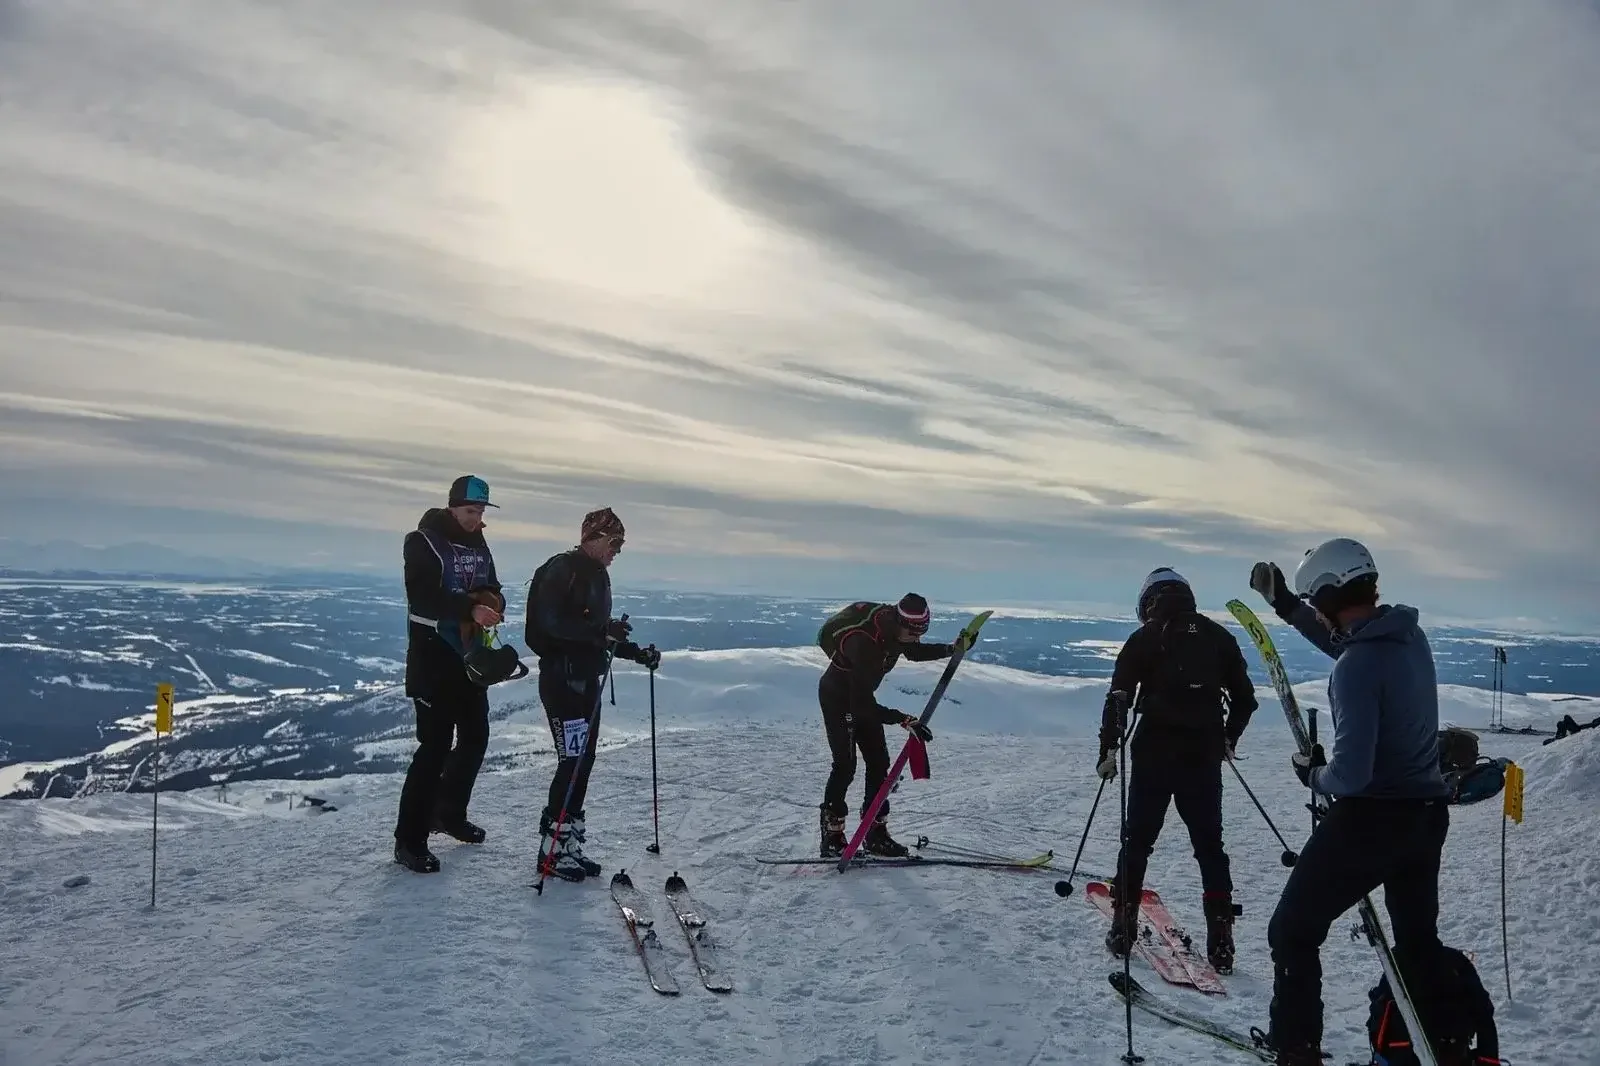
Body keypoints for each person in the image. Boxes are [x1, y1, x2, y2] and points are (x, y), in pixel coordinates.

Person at [1248, 538, 1451, 1066]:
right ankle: (1433, 1049)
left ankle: (1297, 1049)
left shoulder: (1356, 667)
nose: (1317, 611)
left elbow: (1351, 776)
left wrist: (1313, 774)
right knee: (1414, 945)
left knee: (1292, 932)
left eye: (1316, 601)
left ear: (1333, 594)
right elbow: (1349, 645)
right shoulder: (1409, 638)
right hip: (1426, 817)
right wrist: (1287, 607)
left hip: (1371, 820)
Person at [1096, 567, 1258, 974]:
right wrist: (1228, 739)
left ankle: (1123, 926)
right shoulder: (1218, 637)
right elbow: (1245, 699)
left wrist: (1108, 749)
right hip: (1202, 756)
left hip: (1153, 753)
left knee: (1137, 841)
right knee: (1210, 847)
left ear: (1148, 600)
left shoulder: (1144, 638)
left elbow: (1118, 697)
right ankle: (1221, 941)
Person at [523, 506, 660, 882]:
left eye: (621, 544)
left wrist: (634, 652)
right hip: (562, 682)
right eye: (614, 542)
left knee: (583, 761)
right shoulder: (561, 569)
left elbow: (598, 635)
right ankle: (552, 850)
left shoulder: (596, 575)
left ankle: (568, 845)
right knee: (571, 762)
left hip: (586, 682)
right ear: (594, 538)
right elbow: (550, 624)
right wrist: (603, 635)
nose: (618, 550)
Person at [393, 475, 507, 874]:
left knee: (476, 737)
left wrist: (493, 601)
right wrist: (471, 609)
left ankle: (449, 813)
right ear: (452, 507)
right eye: (470, 511)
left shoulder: (478, 542)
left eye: (480, 513)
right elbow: (423, 595)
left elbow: (491, 584)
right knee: (434, 747)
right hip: (432, 658)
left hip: (469, 656)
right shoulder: (422, 541)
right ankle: (409, 840)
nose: (476, 520)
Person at [815, 593, 971, 859]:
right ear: (903, 624)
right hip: (839, 699)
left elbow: (912, 651)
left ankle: (875, 832)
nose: (917, 638)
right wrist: (903, 719)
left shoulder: (896, 632)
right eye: (915, 633)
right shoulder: (864, 644)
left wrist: (950, 649)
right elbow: (861, 704)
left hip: (862, 697)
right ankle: (833, 836)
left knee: (878, 762)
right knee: (845, 765)